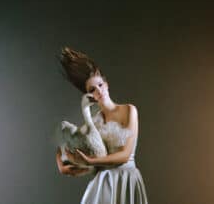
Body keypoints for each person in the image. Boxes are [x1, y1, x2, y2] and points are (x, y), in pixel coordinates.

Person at [56, 47, 148, 204]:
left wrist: (91, 162)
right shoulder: (93, 122)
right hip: (102, 183)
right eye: (92, 89)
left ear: (106, 84)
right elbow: (65, 144)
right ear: (88, 95)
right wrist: (62, 165)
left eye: (100, 84)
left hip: (127, 180)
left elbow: (125, 155)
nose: (99, 90)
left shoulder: (129, 110)